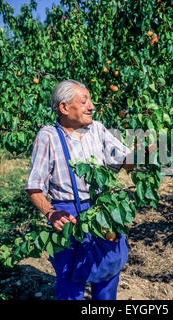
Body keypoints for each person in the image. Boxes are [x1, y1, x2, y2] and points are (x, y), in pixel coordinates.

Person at [25, 79, 134, 300]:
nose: (91, 106)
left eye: (91, 101)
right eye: (84, 101)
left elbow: (126, 161)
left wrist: (148, 150)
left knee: (108, 272)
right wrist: (50, 212)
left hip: (103, 211)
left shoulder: (97, 129)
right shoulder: (49, 137)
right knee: (71, 281)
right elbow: (35, 187)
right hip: (68, 215)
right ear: (64, 107)